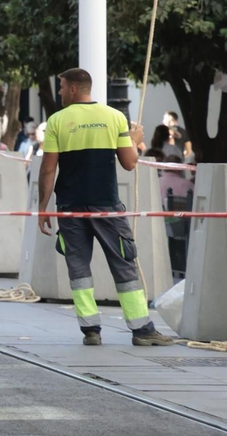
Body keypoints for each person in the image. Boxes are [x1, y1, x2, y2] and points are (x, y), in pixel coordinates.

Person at [37, 67, 172, 347]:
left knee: (78, 267)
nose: (60, 92)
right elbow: (129, 162)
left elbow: (48, 169)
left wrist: (43, 207)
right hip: (106, 205)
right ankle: (142, 330)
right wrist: (133, 140)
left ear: (74, 89)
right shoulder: (113, 117)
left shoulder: (57, 121)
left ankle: (91, 330)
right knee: (124, 264)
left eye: (61, 87)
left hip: (70, 207)